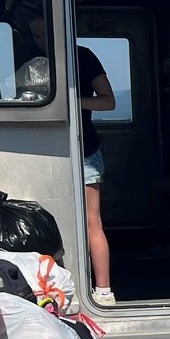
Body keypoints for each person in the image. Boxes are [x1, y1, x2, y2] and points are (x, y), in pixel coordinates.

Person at [77, 42, 116, 305]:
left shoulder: (83, 56)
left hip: (86, 150)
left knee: (93, 222)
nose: (41, 39)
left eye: (45, 33)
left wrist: (72, 101)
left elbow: (109, 101)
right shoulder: (29, 53)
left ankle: (104, 291)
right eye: (36, 35)